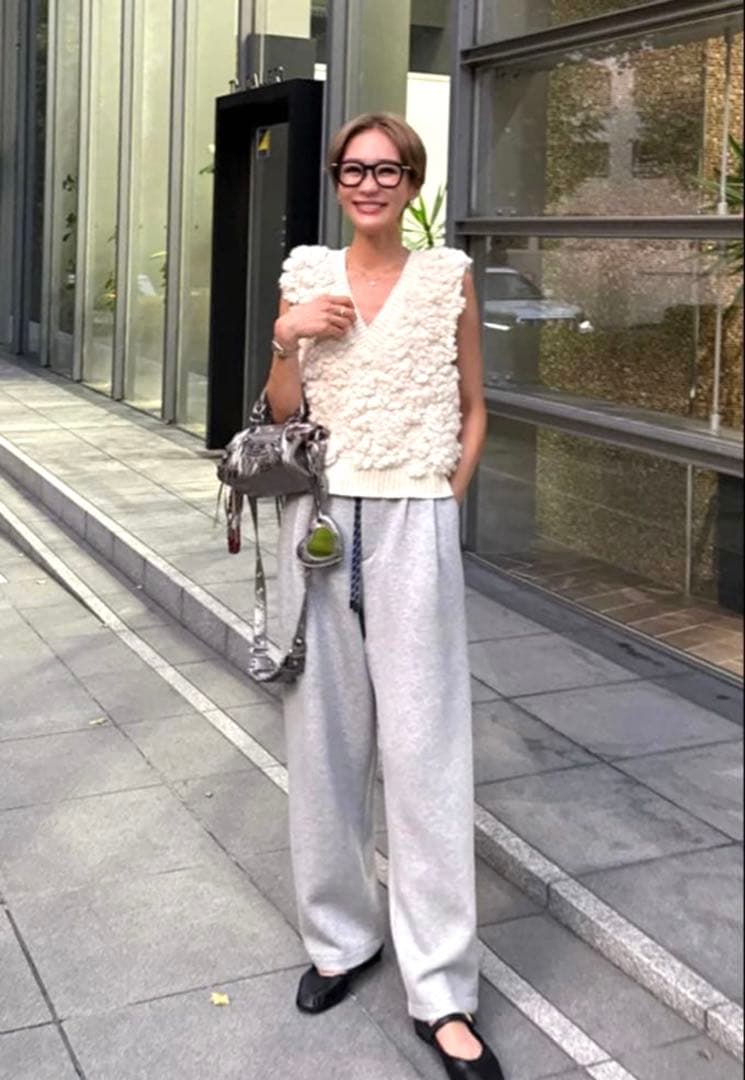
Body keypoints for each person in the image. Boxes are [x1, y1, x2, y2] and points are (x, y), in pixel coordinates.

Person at [265, 112, 504, 1080]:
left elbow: (475, 407)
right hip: (318, 524)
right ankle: (339, 939)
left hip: (414, 524)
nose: (369, 183)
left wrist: (445, 501)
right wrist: (287, 336)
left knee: (426, 752)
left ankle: (441, 990)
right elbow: (281, 411)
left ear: (411, 181)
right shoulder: (304, 274)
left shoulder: (447, 277)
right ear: (336, 180)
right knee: (322, 744)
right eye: (353, 169)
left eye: (388, 169)